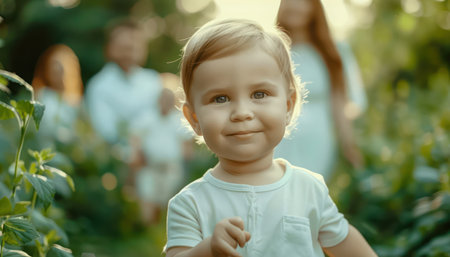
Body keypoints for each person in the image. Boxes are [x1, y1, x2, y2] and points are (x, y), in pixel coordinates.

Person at [165, 19, 377, 257]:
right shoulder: (190, 204)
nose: (242, 113)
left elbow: (346, 242)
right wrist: (207, 249)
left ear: (288, 105)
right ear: (194, 118)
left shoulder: (309, 189)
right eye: (220, 99)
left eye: (259, 94)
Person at [274, 0, 367, 180]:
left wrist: (349, 145)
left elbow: (339, 101)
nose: (294, 6)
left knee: (311, 191)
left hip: (318, 137)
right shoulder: (271, 49)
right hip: (278, 137)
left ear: (314, 8)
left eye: (303, 2)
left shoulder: (333, 51)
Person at [85, 19, 163, 149]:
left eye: (137, 44)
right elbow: (108, 132)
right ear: (110, 48)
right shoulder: (99, 86)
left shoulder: (153, 80)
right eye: (125, 46)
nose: (131, 48)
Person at [131, 87, 193, 225]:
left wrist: (186, 160)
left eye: (169, 99)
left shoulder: (179, 120)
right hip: (149, 165)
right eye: (163, 99)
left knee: (165, 198)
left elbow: (186, 145)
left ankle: (159, 228)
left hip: (170, 166)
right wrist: (136, 156)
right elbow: (135, 138)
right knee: (147, 196)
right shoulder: (146, 118)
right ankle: (146, 228)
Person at [32, 44, 83, 146]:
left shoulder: (77, 101)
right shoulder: (43, 97)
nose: (58, 74)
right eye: (54, 70)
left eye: (61, 69)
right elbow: (49, 127)